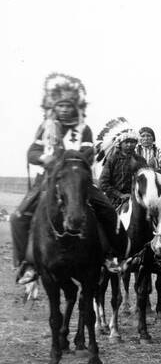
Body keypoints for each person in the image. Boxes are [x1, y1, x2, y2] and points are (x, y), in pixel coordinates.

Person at [11, 73, 121, 285]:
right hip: (48, 181)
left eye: (68, 105)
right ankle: (28, 264)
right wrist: (44, 157)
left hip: (78, 180)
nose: (64, 109)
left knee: (107, 209)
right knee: (17, 217)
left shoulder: (84, 129)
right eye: (60, 105)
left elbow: (89, 154)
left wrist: (68, 160)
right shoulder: (46, 127)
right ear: (54, 106)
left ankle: (111, 255)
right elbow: (32, 152)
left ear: (75, 107)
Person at [96, 119, 144, 208]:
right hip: (115, 201)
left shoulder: (140, 160)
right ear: (120, 143)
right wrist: (120, 195)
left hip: (138, 200)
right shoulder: (113, 159)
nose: (129, 145)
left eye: (132, 142)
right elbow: (103, 183)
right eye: (126, 142)